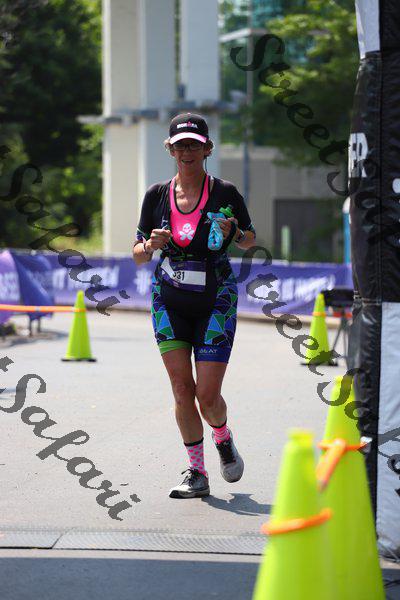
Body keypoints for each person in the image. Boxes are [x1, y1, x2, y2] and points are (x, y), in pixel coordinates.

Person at [132, 113, 256, 498]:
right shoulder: (156, 195)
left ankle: (223, 437)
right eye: (180, 145)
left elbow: (250, 240)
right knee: (181, 389)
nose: (187, 151)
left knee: (207, 396)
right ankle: (197, 472)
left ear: (207, 149)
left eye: (194, 145)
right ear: (170, 150)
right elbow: (137, 254)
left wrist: (234, 231)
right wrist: (149, 245)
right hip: (168, 301)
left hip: (216, 300)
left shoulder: (225, 192)